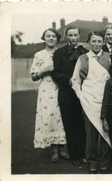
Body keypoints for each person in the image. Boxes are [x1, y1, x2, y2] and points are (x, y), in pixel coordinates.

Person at [71, 31, 112, 173]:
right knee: (91, 134)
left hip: (105, 99)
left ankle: (105, 160)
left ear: (103, 42)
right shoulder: (83, 58)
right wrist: (80, 96)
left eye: (100, 41)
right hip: (88, 100)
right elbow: (75, 80)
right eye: (94, 41)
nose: (97, 44)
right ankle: (92, 161)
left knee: (106, 131)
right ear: (89, 42)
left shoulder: (109, 57)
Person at [30, 28, 69, 163]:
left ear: (57, 38)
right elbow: (33, 77)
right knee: (50, 117)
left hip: (61, 88)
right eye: (48, 36)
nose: (51, 38)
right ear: (44, 38)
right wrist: (42, 71)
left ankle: (63, 149)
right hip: (46, 89)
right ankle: (54, 151)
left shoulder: (62, 53)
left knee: (62, 116)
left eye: (53, 36)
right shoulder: (39, 55)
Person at [51, 26, 88, 166]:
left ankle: (83, 154)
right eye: (70, 35)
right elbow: (56, 73)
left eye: (75, 35)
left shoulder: (85, 52)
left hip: (82, 95)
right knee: (70, 126)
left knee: (81, 126)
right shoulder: (59, 53)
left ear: (79, 36)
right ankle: (74, 156)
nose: (73, 38)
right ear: (66, 36)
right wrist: (69, 80)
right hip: (66, 94)